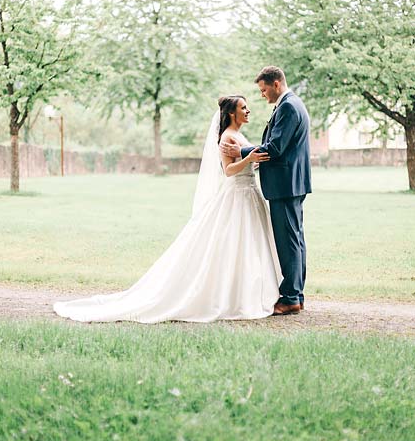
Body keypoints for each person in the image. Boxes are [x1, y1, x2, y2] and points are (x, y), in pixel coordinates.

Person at [54, 95, 280, 323]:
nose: (248, 110)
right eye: (243, 107)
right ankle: (231, 297)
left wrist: (253, 160)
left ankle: (248, 292)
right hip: (236, 195)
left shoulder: (239, 135)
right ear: (232, 113)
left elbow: (248, 160)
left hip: (249, 193)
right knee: (232, 244)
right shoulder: (227, 138)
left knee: (247, 244)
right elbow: (229, 170)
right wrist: (248, 158)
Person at [221, 65, 312, 315]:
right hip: (290, 183)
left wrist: (240, 152)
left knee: (288, 242)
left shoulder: (288, 107)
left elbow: (275, 147)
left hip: (285, 184)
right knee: (295, 240)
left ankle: (291, 297)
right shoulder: (291, 104)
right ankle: (296, 294)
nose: (262, 95)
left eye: (263, 90)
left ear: (276, 84)